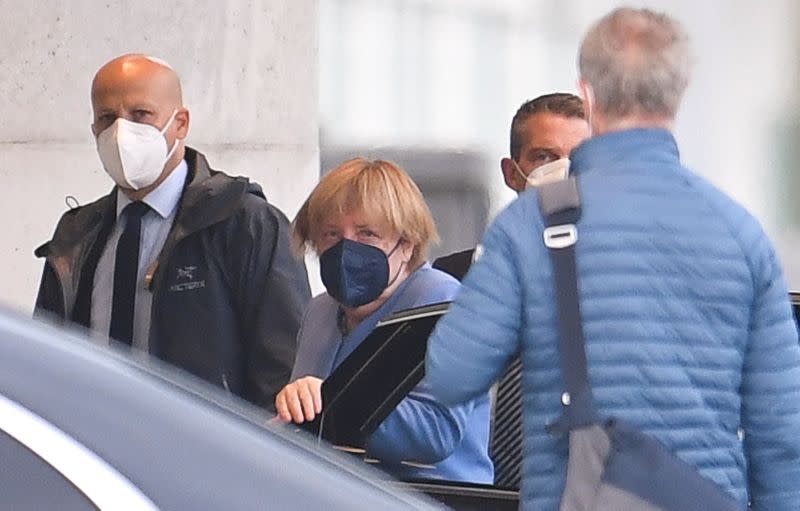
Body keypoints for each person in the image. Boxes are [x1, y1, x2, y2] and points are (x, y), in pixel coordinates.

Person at [425, 7, 800, 510]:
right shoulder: (740, 233)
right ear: (680, 92)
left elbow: (452, 374)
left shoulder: (530, 225)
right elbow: (780, 432)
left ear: (588, 94)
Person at [34, 54, 311, 411]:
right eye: (107, 118)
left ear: (180, 123)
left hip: (199, 454)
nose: (121, 133)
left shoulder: (245, 224)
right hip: (97, 452)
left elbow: (285, 371)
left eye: (140, 115)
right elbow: (48, 365)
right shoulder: (77, 235)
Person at [275, 157, 494, 484]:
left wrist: (334, 400)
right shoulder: (321, 311)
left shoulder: (442, 303)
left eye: (367, 234)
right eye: (331, 234)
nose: (347, 247)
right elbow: (309, 419)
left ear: (406, 245)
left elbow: (437, 433)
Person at [433, 93, 589, 280]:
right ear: (511, 174)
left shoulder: (624, 270)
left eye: (580, 156)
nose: (564, 171)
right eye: (544, 157)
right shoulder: (457, 276)